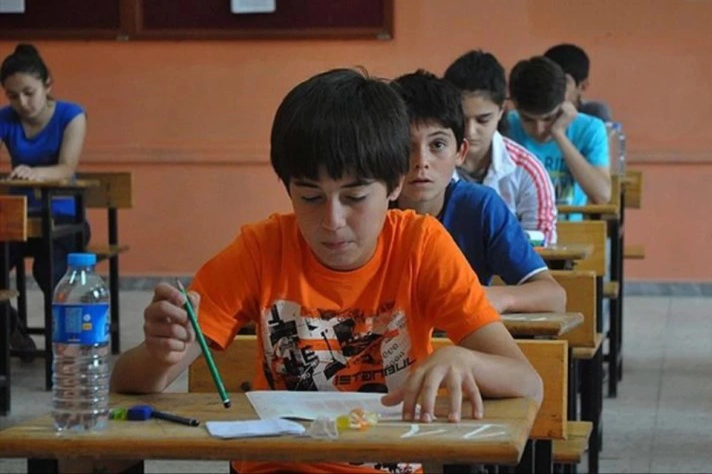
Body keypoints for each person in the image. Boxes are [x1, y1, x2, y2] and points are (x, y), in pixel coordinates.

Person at [110, 68, 543, 474]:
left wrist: (464, 358)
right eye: (311, 198)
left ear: (395, 184)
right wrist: (160, 354)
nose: (332, 222)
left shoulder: (421, 247)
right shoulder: (261, 250)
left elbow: (528, 383)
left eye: (355, 198)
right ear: (288, 188)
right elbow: (127, 383)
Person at [391, 69, 565, 315]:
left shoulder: (480, 207)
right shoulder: (368, 207)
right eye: (406, 147)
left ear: (460, 152)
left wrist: (494, 297)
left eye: (437, 145)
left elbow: (554, 296)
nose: (422, 162)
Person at [0, 43, 90, 358]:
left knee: (50, 271)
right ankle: (10, 327)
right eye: (12, 96)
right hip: (19, 219)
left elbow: (66, 168)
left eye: (29, 92)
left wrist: (34, 172)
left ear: (47, 84)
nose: (22, 103)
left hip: (63, 217)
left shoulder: (71, 115)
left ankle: (67, 346)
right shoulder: (5, 118)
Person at [443, 50, 558, 245]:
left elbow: (542, 246)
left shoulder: (528, 171)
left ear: (501, 111)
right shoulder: (429, 166)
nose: (470, 131)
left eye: (483, 120)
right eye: (462, 119)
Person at [506, 56, 611, 214]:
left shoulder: (590, 128)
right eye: (528, 120)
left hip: (570, 228)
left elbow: (602, 195)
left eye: (548, 118)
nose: (539, 129)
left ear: (564, 103)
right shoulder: (506, 127)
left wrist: (559, 135)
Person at [544, 43, 612, 122]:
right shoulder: (533, 110)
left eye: (562, 83)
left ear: (583, 86)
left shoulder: (594, 113)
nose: (552, 88)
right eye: (547, 80)